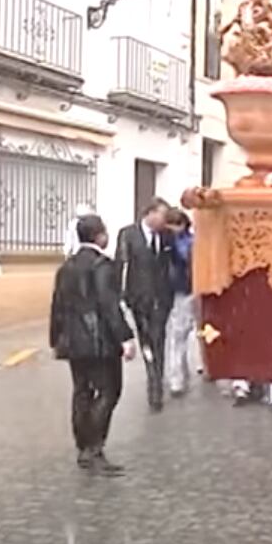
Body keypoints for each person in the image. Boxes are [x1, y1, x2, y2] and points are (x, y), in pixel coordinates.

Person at [49, 214, 137, 477]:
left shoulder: (66, 267)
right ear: (99, 235)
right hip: (100, 341)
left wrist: (56, 338)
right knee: (109, 391)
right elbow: (109, 306)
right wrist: (125, 337)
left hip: (74, 340)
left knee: (82, 392)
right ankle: (94, 447)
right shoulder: (102, 266)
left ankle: (83, 448)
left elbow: (57, 306)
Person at [117, 198, 174, 412]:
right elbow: (120, 265)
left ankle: (156, 384)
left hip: (161, 299)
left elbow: (170, 264)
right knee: (147, 340)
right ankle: (154, 377)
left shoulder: (166, 235)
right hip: (139, 300)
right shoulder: (129, 234)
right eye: (161, 215)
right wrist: (120, 296)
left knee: (159, 338)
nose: (164, 220)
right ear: (149, 213)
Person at [163, 208, 199, 397]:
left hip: (185, 289)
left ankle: (179, 375)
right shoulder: (169, 241)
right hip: (177, 289)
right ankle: (178, 375)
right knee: (179, 335)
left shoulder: (186, 242)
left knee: (181, 334)